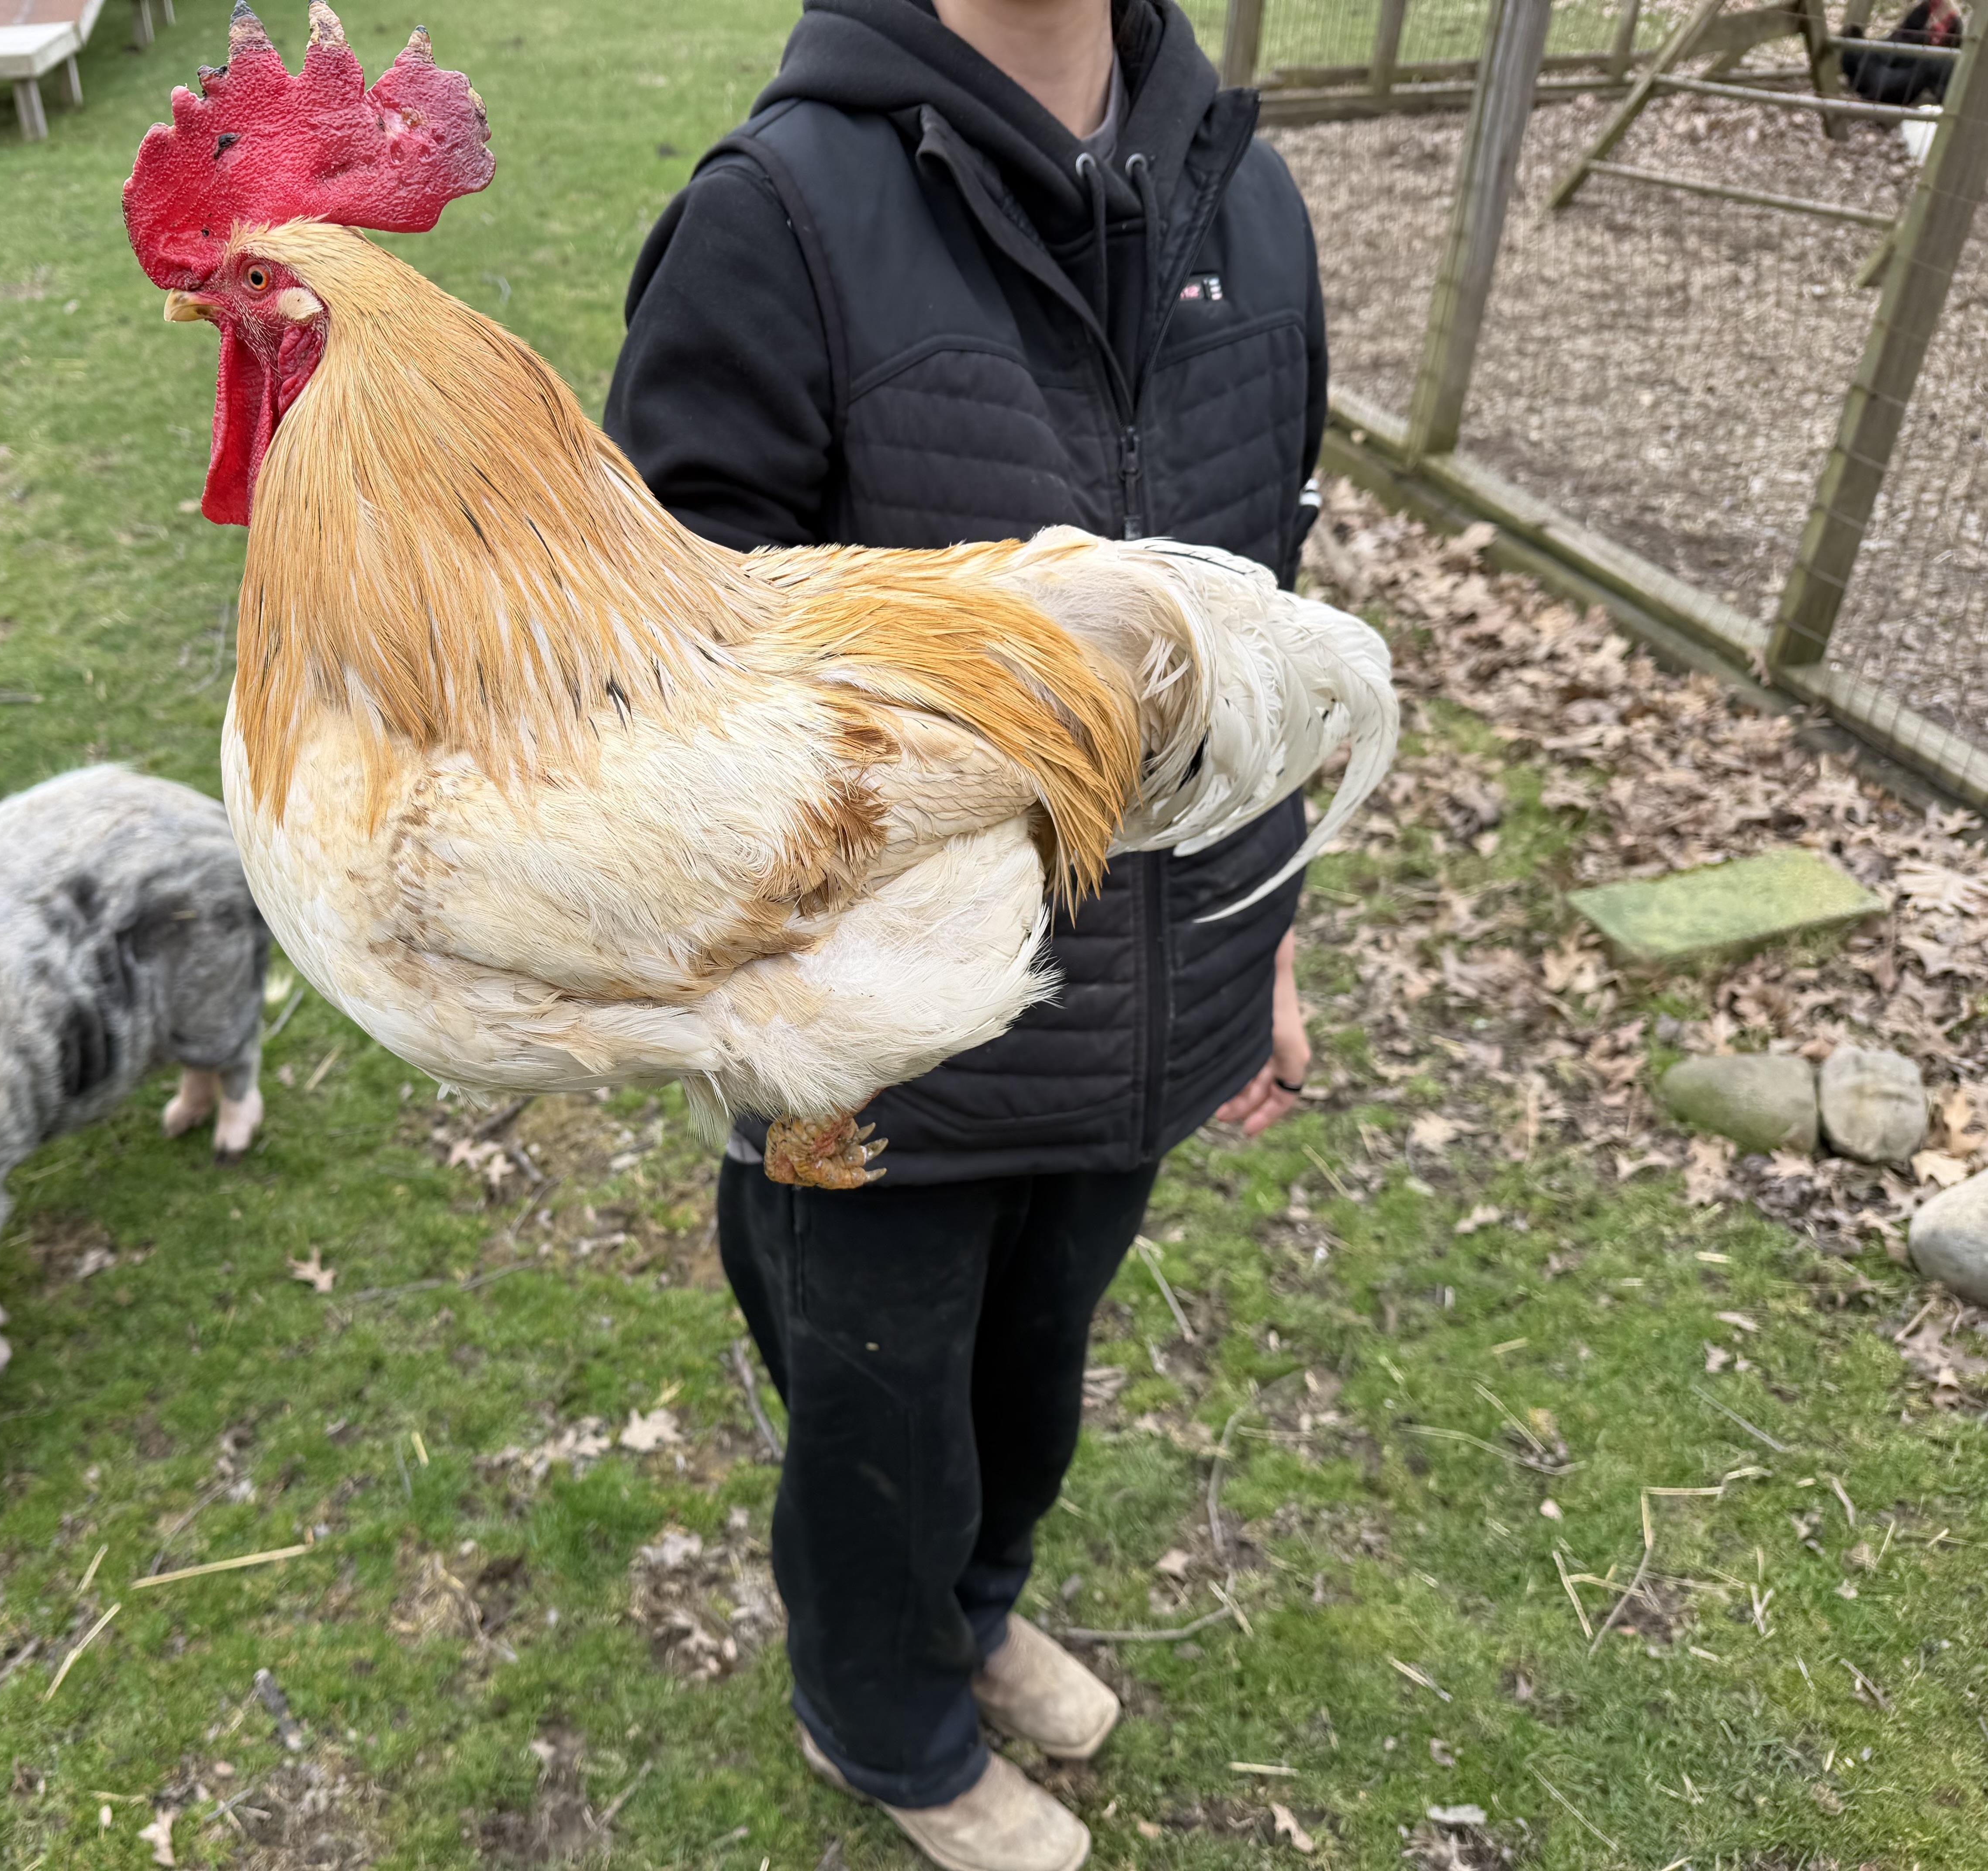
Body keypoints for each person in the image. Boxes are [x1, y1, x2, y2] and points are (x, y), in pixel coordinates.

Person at [605, 0, 1324, 1864]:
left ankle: (981, 1617)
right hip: (876, 1055)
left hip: (1137, 1007)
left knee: (1035, 1376)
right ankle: (887, 1724)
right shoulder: (781, 214)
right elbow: (653, 680)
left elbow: (1269, 637)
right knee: (873, 1424)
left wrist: (1273, 936)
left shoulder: (1251, 210)